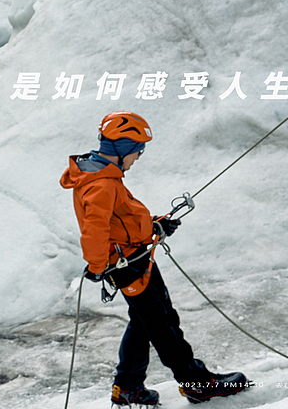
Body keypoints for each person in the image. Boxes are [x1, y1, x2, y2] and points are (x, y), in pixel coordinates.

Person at [60, 111, 250, 406]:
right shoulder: (102, 183)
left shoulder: (102, 173)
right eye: (138, 151)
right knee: (161, 324)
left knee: (145, 320)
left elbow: (120, 219)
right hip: (126, 264)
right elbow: (94, 229)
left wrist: (154, 225)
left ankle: (128, 387)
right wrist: (98, 266)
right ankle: (196, 383)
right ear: (123, 148)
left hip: (133, 257)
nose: (139, 157)